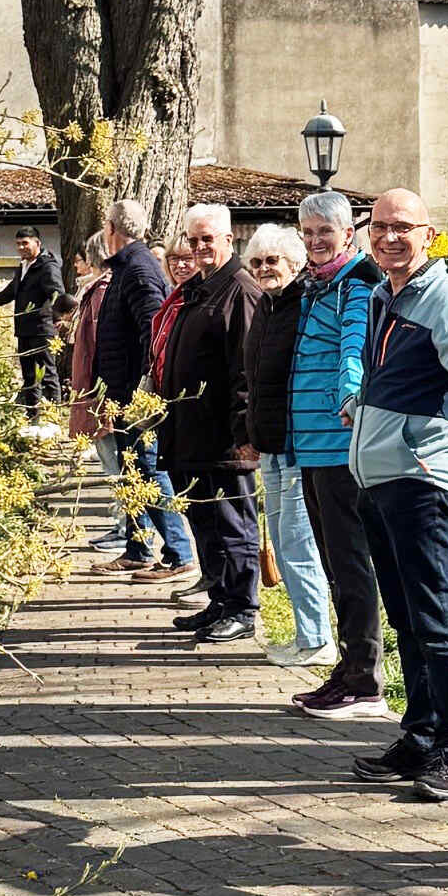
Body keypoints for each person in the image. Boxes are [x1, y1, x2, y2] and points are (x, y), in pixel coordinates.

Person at [345, 187, 448, 803]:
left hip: (421, 477)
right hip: (379, 473)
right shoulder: (384, 296)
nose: (390, 237)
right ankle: (420, 735)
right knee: (407, 615)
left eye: (404, 227)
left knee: (432, 614)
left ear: (428, 233)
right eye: (381, 226)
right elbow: (401, 378)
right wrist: (359, 409)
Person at [286, 191, 388, 720]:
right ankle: (348, 670)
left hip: (339, 444)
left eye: (326, 231)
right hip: (309, 445)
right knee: (332, 563)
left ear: (349, 234)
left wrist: (350, 397)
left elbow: (353, 349)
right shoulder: (313, 287)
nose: (316, 240)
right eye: (308, 233)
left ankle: (366, 680)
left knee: (350, 563)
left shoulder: (355, 285)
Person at [160, 204, 264, 644]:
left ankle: (242, 607)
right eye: (194, 239)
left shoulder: (239, 290)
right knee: (205, 522)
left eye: (208, 239)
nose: (200, 247)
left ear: (228, 240)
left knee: (232, 524)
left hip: (224, 440)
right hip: (192, 434)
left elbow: (246, 370)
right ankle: (220, 598)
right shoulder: (201, 289)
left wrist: (244, 439)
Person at [239, 223, 336, 668]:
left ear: (295, 263)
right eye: (257, 262)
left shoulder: (303, 306)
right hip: (272, 443)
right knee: (282, 538)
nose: (263, 269)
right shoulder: (267, 306)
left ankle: (317, 640)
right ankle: (304, 634)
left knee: (298, 542)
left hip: (299, 443)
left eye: (272, 261)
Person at [90, 198, 195, 582]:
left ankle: (179, 553)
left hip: (138, 394)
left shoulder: (137, 269)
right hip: (122, 390)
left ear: (110, 228)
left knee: (145, 469)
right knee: (130, 470)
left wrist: (141, 386)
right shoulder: (128, 267)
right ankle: (137, 548)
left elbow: (154, 328)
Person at [144, 236, 210, 600]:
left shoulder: (198, 297)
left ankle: (215, 581)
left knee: (207, 508)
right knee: (194, 507)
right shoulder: (173, 300)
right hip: (171, 410)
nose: (181, 265)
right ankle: (206, 574)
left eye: (188, 259)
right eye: (174, 260)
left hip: (196, 413)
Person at [62, 234, 127, 555]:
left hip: (100, 392)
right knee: (111, 460)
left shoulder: (102, 292)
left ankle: (126, 528)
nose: (76, 267)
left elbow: (99, 347)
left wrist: (96, 395)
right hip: (94, 389)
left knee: (115, 462)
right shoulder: (94, 292)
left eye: (81, 260)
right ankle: (124, 525)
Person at [0, 227, 64, 406]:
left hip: (42, 330)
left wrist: (60, 318)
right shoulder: (23, 266)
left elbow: (57, 293)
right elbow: (12, 290)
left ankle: (55, 415)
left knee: (47, 374)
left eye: (25, 243)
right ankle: (33, 416)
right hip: (24, 330)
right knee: (29, 377)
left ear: (37, 243)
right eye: (18, 244)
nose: (21, 247)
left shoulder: (47, 266)